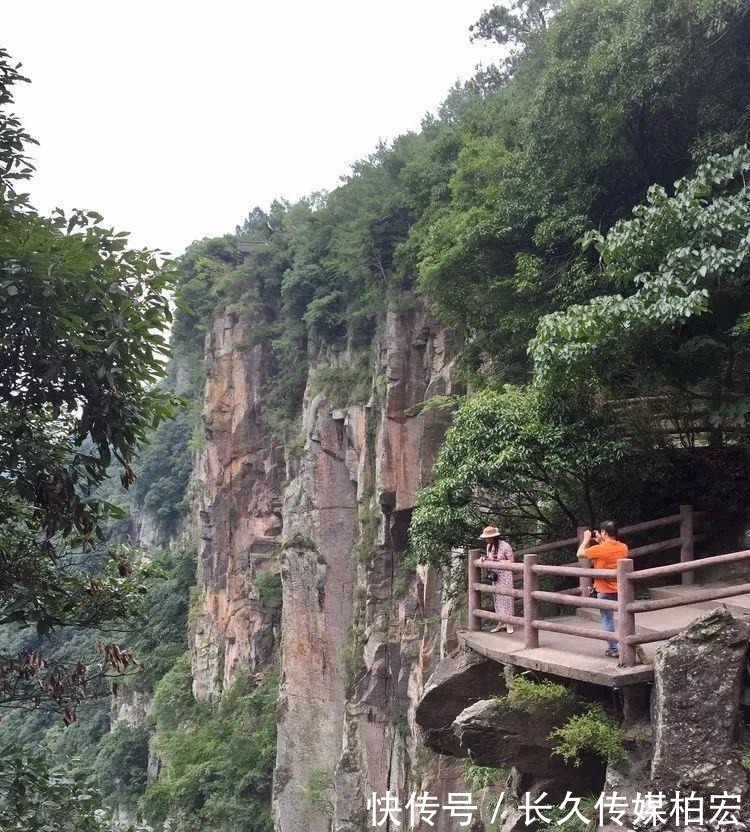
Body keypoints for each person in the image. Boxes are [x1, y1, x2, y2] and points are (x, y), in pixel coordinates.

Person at [577, 520, 629, 658]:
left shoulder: (599, 549)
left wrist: (586, 539)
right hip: (621, 589)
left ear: (604, 533)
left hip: (604, 590)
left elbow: (580, 553)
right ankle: (625, 645)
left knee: (607, 620)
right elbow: (608, 554)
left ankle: (614, 649)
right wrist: (601, 541)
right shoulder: (624, 547)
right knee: (624, 618)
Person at [479, 526, 515, 634]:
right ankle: (500, 622)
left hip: (505, 575)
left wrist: (498, 561)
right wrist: (484, 558)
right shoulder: (489, 546)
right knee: (497, 598)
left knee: (506, 597)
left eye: (488, 537)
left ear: (493, 537)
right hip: (495, 575)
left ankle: (509, 623)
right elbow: (490, 558)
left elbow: (512, 561)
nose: (486, 539)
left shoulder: (505, 546)